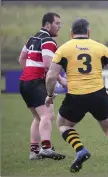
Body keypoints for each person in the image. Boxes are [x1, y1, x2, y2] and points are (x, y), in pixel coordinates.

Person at [45, 18, 108, 173]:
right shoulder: (100, 48)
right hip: (98, 94)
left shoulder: (63, 49)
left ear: (71, 33)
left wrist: (50, 94)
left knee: (63, 125)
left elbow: (51, 76)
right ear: (89, 32)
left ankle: (80, 149)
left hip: (76, 96)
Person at [18, 12, 67, 160]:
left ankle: (34, 151)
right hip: (36, 82)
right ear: (47, 24)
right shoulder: (48, 40)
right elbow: (48, 64)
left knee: (39, 118)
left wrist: (28, 73)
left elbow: (22, 58)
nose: (60, 26)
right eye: (57, 23)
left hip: (24, 82)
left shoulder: (32, 38)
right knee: (47, 115)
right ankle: (46, 148)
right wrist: (60, 80)